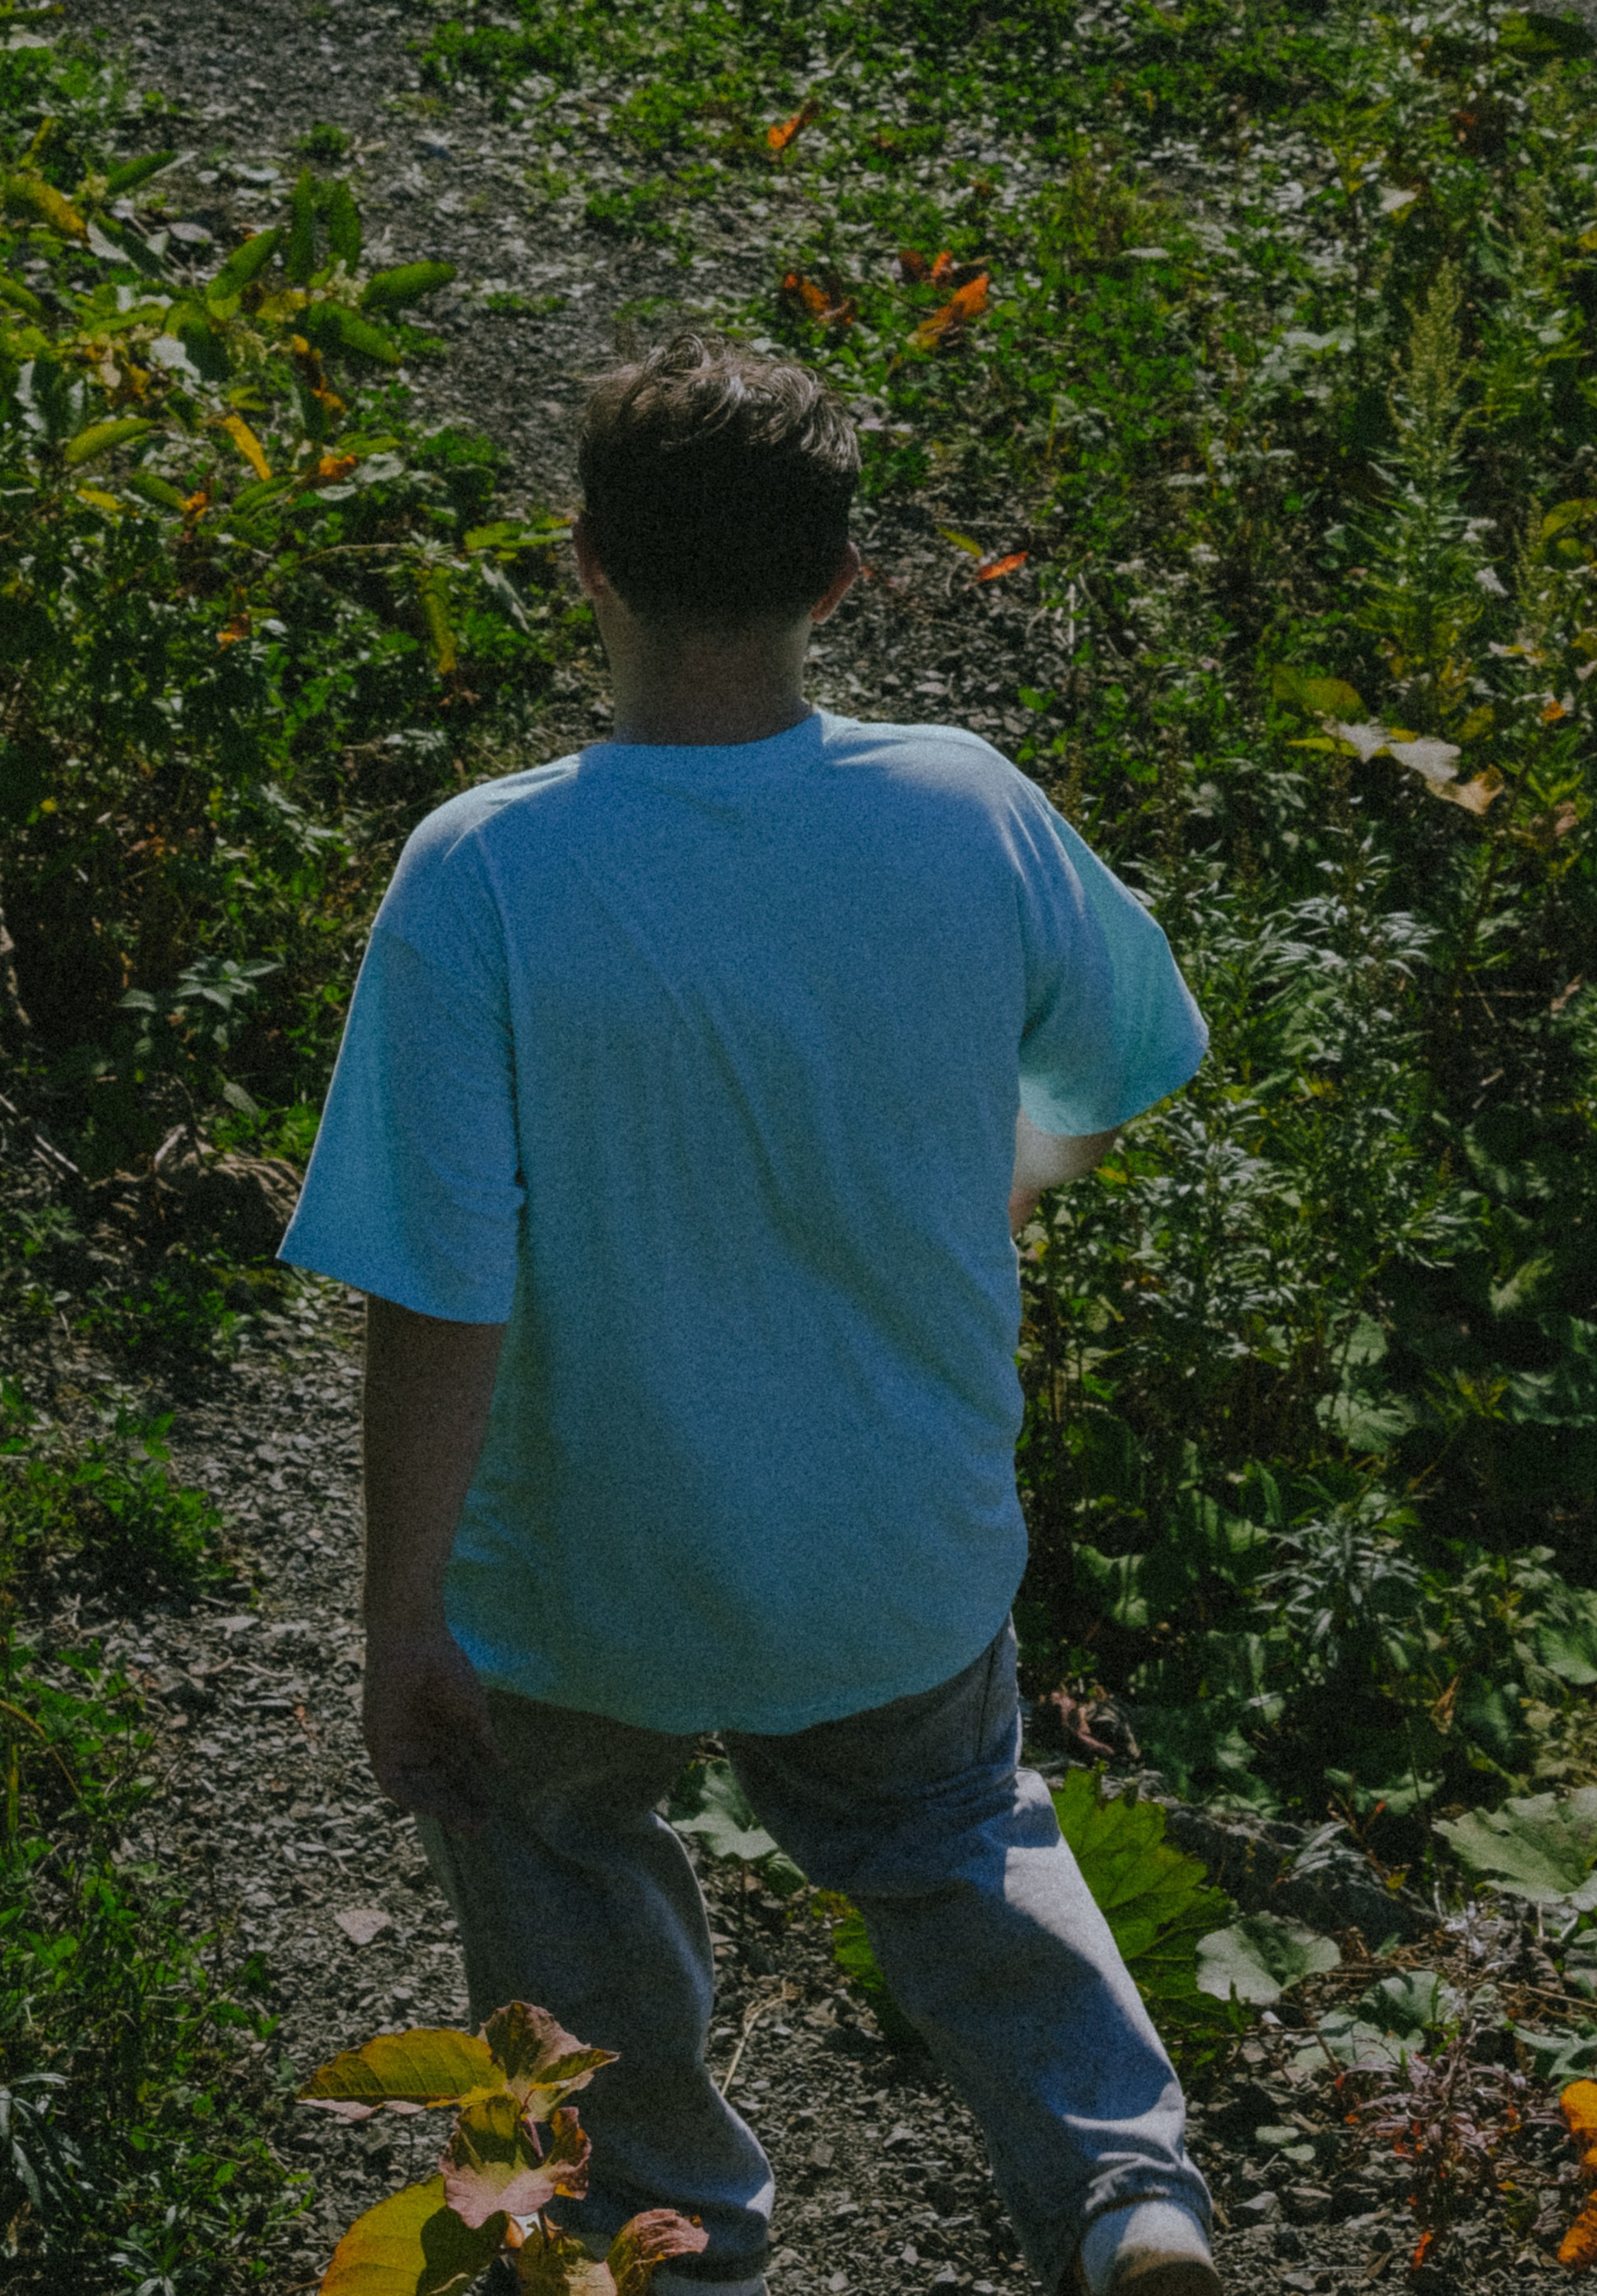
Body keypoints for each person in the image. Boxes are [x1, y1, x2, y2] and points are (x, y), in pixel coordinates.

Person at [279, 332, 1217, 2296]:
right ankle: (1120, 2194)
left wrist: (399, 1617)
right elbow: (1120, 1060)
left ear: (583, 565)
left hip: (587, 1573)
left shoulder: (487, 871)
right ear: (839, 581)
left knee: (558, 1869)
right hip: (892, 1537)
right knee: (956, 1834)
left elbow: (438, 1283)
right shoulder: (965, 810)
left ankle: (662, 2245)